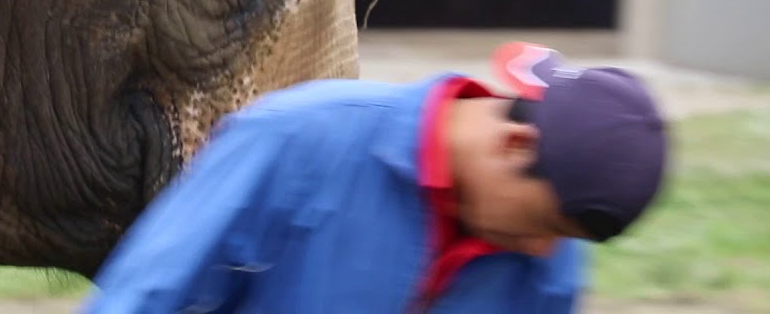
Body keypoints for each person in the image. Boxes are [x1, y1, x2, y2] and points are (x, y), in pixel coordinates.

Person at [80, 42, 670, 313]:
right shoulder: (296, 142)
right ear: (514, 142)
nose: (548, 253)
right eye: (545, 226)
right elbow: (140, 299)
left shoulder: (546, 265)